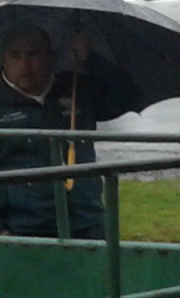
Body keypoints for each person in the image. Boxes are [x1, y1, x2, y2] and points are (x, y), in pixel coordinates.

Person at [0, 23, 107, 239]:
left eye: (34, 54)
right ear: (3, 60)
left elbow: (122, 95)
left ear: (50, 57)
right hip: (25, 229)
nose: (25, 64)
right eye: (16, 56)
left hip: (87, 221)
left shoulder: (77, 87)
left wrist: (90, 58)